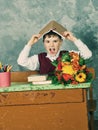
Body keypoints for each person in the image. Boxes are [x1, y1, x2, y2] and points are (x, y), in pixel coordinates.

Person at [17, 30, 92, 74]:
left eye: (55, 41)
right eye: (48, 41)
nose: (51, 45)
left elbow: (87, 55)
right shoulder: (39, 58)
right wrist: (30, 43)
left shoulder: (69, 55)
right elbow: (21, 61)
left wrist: (74, 39)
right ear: (44, 43)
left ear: (61, 42)